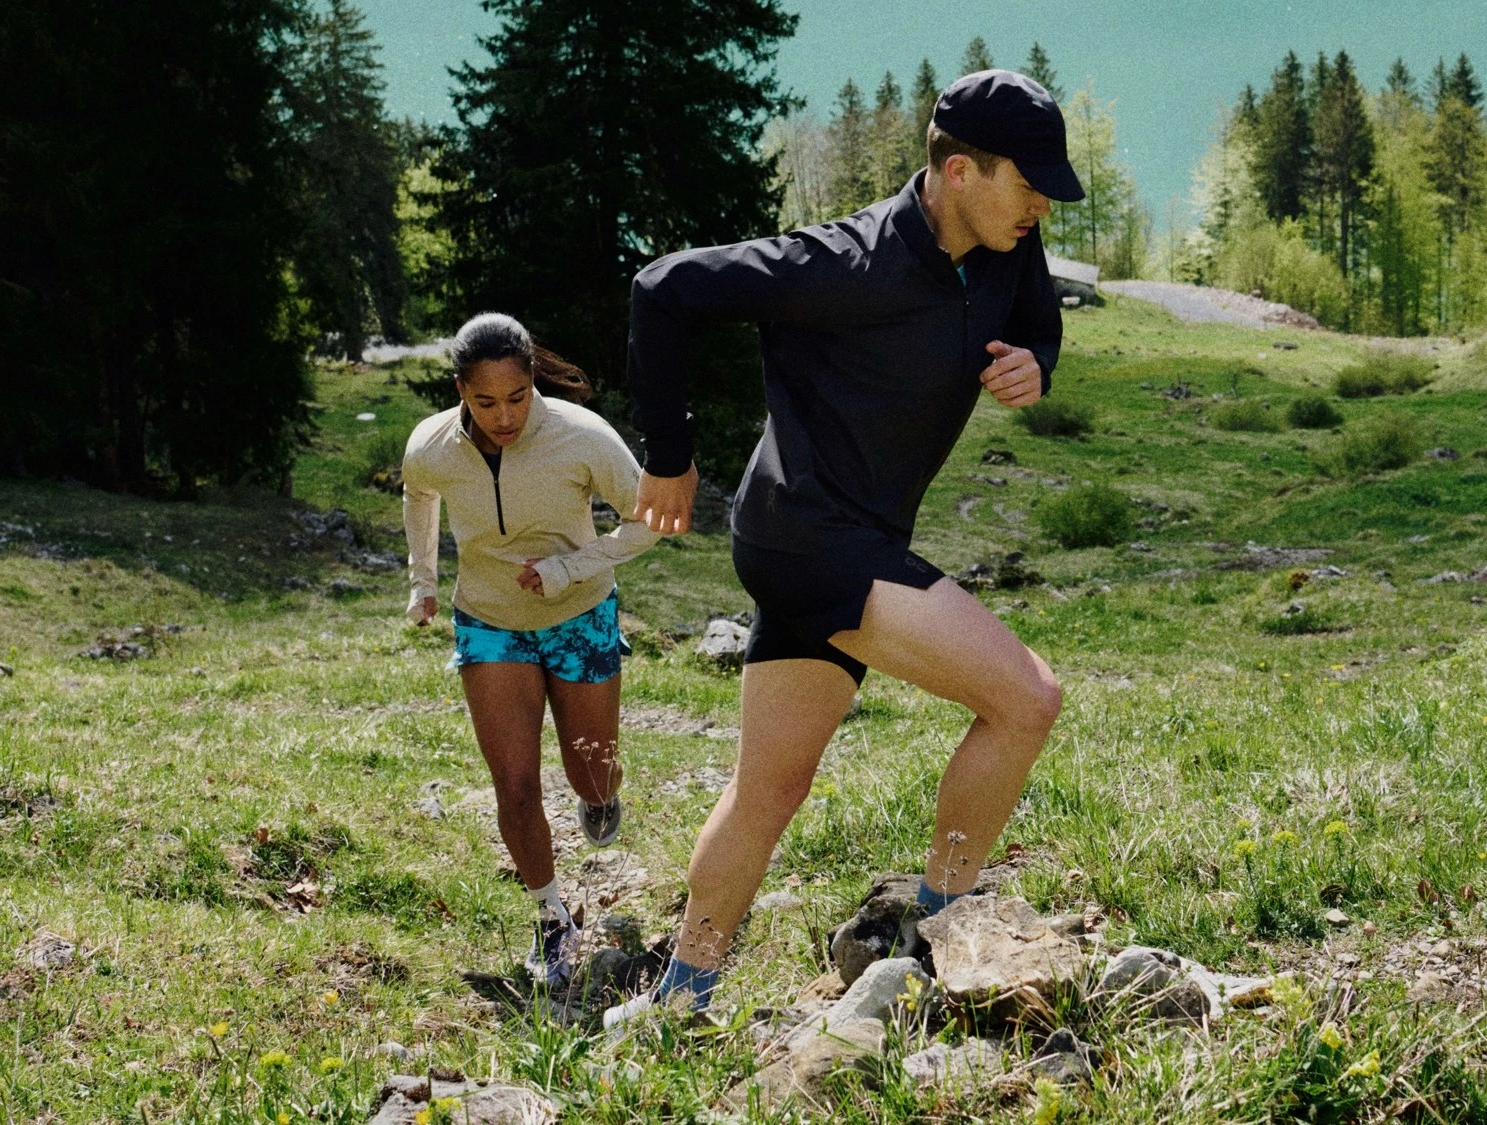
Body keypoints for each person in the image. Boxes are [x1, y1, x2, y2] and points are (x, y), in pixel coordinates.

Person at [605, 71, 1083, 1027]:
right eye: (1027, 185)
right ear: (958, 170)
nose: (1041, 205)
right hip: (808, 539)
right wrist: (668, 457)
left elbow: (1034, 318)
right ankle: (943, 941)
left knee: (768, 789)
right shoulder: (842, 263)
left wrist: (1038, 363)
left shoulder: (1004, 249)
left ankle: (678, 999)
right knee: (1027, 700)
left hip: (842, 542)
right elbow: (661, 291)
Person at [401, 312, 661, 988]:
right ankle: (552, 920)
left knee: (591, 775)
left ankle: (600, 798)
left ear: (532, 380)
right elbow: (418, 494)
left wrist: (571, 567)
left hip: (579, 615)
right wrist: (422, 579)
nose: (504, 416)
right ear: (461, 389)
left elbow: (648, 520)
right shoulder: (431, 444)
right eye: (485, 401)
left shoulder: (581, 436)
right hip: (489, 620)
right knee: (513, 784)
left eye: (516, 397)